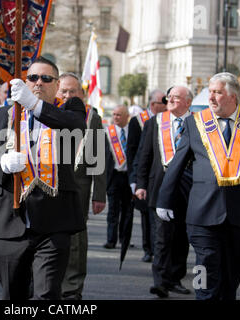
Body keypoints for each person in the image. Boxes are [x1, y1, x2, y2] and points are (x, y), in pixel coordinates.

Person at [0, 56, 86, 300]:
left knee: (46, 294)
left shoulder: (70, 110)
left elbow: (72, 126)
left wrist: (33, 104)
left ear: (57, 84)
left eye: (46, 79)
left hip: (54, 224)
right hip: (10, 221)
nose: (38, 83)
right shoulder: (5, 114)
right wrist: (0, 163)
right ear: (24, 81)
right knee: (13, 296)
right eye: (33, 78)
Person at [157, 73, 240, 300]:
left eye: (217, 92)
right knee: (205, 271)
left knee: (230, 281)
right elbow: (177, 164)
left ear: (233, 97)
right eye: (210, 91)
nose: (210, 97)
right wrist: (164, 199)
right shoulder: (195, 122)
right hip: (202, 215)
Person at [136, 86, 193, 298]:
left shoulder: (198, 123)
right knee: (161, 237)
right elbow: (145, 155)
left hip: (187, 189)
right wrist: (140, 183)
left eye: (176, 98)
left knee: (180, 238)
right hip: (159, 188)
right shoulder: (155, 123)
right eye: (169, 97)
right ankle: (159, 281)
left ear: (188, 102)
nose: (170, 100)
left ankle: (175, 278)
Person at [57, 72, 106, 300]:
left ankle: (72, 289)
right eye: (64, 91)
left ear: (82, 93)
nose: (67, 95)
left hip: (79, 185)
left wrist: (99, 194)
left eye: (72, 91)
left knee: (76, 240)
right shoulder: (46, 111)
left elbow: (97, 156)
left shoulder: (91, 116)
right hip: (49, 184)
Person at [127, 89, 166, 263]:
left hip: (161, 177)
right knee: (146, 216)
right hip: (145, 176)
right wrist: (134, 179)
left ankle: (160, 250)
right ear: (153, 105)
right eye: (163, 102)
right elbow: (133, 151)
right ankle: (148, 248)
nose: (166, 105)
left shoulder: (166, 121)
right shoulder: (138, 122)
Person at [104, 105, 133, 250]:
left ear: (127, 116)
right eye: (114, 114)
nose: (115, 117)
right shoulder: (107, 133)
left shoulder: (134, 132)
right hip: (114, 176)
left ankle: (124, 239)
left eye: (119, 115)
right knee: (113, 211)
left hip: (129, 176)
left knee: (128, 211)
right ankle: (111, 240)